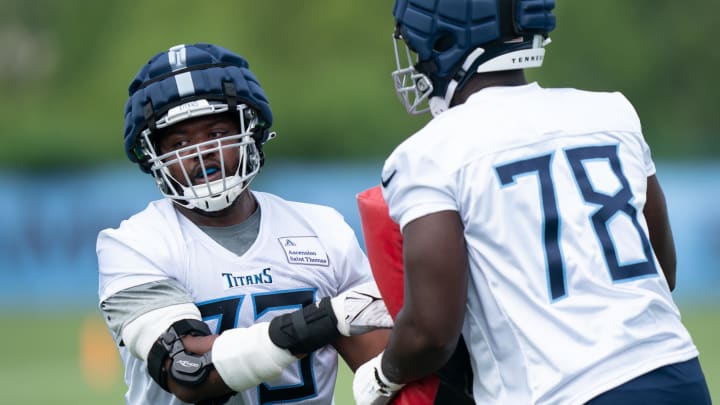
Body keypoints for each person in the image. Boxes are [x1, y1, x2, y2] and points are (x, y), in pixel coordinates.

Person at [353, 1, 712, 404]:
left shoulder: (429, 153)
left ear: (444, 40)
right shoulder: (613, 111)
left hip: (560, 392)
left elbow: (431, 332)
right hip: (678, 375)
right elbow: (663, 269)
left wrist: (383, 376)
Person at [97, 42, 391, 405]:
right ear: (152, 157)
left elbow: (387, 371)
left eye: (217, 133)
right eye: (179, 142)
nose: (201, 151)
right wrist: (324, 319)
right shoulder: (134, 243)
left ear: (252, 131)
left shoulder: (323, 230)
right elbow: (190, 370)